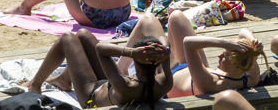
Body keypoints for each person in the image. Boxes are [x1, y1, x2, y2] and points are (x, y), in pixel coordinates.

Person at [22, 24, 172, 106]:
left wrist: (132, 52)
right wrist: (164, 50)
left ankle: (35, 85)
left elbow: (101, 49)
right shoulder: (164, 82)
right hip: (110, 86)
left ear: (135, 61)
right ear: (160, 59)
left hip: (90, 97)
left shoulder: (127, 85)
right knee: (82, 34)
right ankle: (64, 79)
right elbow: (165, 43)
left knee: (67, 38)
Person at [166, 13, 267, 98]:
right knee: (176, 16)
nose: (219, 56)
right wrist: (253, 41)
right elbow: (243, 32)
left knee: (150, 21)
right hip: (197, 69)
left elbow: (188, 43)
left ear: (237, 66)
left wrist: (223, 43)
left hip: (170, 75)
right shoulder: (250, 78)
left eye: (224, 56)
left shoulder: (213, 84)